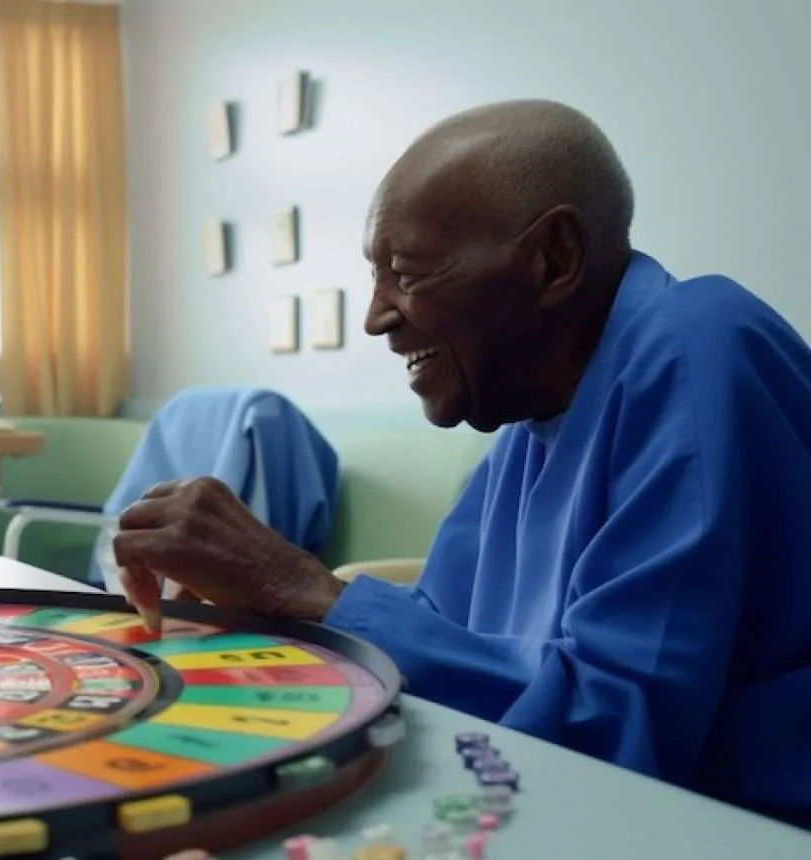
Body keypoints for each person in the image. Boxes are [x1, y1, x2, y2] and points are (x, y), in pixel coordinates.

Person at [115, 99, 811, 830]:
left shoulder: (699, 344)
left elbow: (614, 731)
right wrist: (251, 606)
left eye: (407, 273)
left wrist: (300, 588)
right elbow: (437, 637)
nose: (376, 317)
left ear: (554, 258)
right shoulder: (527, 417)